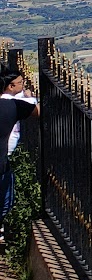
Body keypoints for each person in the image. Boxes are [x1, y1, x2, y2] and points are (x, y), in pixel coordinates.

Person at [0, 68, 37, 239]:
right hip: (2, 163)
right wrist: (29, 97)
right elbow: (37, 111)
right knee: (5, 202)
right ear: (11, 85)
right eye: (21, 83)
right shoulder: (13, 106)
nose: (23, 86)